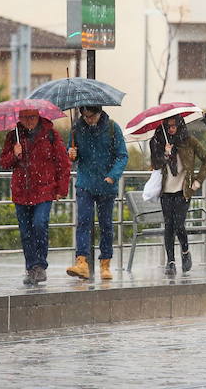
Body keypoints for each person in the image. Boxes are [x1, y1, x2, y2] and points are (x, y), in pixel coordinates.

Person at [0, 109, 71, 286]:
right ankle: (31, 267)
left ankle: (40, 264)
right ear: (19, 118)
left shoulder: (51, 135)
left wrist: (61, 189)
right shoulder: (13, 136)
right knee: (25, 232)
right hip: (21, 192)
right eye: (24, 118)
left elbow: (62, 162)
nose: (28, 121)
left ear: (39, 116)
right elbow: (4, 162)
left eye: (32, 117)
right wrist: (14, 154)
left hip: (44, 189)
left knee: (40, 224)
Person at [65, 105, 128, 281]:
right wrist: (71, 153)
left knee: (106, 224)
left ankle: (105, 264)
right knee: (83, 221)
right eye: (85, 116)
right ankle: (81, 262)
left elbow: (122, 155)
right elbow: (72, 153)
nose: (88, 120)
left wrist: (113, 175)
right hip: (85, 183)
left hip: (106, 184)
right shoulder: (77, 129)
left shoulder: (112, 128)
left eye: (91, 116)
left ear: (99, 113)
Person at [149, 115, 206, 276]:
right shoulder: (158, 142)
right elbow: (155, 164)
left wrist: (198, 181)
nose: (171, 129)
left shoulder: (189, 141)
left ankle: (185, 251)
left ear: (180, 125)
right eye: (168, 126)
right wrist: (165, 154)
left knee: (179, 224)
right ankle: (170, 262)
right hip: (166, 191)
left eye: (174, 125)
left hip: (183, 191)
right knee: (169, 226)